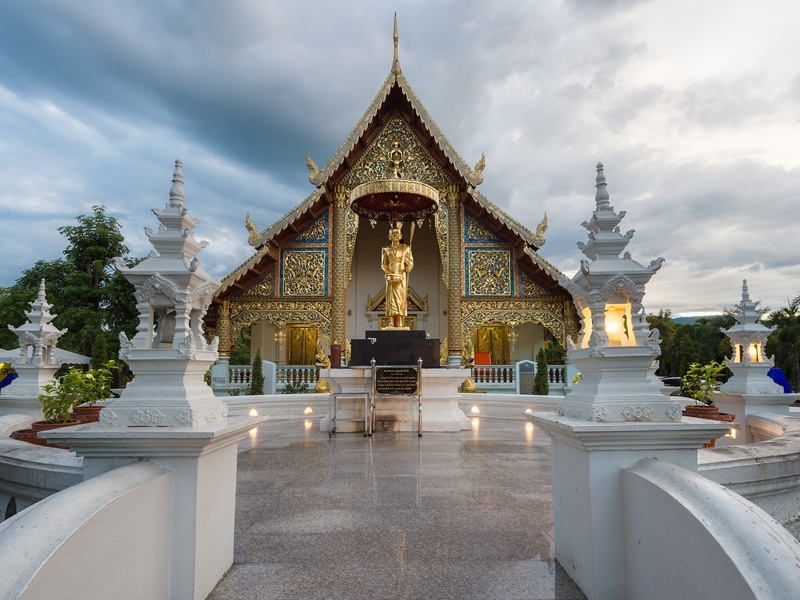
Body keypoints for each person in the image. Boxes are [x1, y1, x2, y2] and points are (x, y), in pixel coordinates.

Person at [381, 224, 413, 328]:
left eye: (397, 233)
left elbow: (410, 263)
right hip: (390, 277)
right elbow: (383, 264)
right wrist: (387, 272)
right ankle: (390, 322)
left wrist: (408, 267)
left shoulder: (406, 248)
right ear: (389, 236)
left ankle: (400, 323)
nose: (395, 235)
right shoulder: (385, 249)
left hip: (401, 276)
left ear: (400, 235)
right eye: (392, 233)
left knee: (400, 300)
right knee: (390, 299)